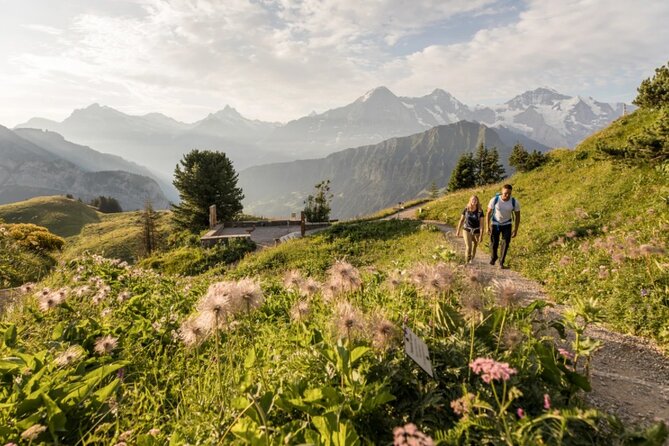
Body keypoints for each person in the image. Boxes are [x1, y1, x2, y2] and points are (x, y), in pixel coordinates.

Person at [486, 184, 521, 269]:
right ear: (502, 191)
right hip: (495, 224)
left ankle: (501, 262)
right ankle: (494, 257)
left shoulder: (514, 202)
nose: (507, 195)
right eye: (505, 193)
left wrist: (515, 230)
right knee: (494, 243)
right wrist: (487, 227)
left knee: (505, 243)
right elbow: (488, 213)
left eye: (509, 193)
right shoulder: (495, 200)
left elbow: (517, 216)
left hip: (507, 225)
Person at [456, 195, 484, 263]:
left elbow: (482, 224)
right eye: (472, 200)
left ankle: (472, 258)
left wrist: (481, 235)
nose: (474, 201)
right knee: (469, 246)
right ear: (470, 201)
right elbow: (461, 220)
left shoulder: (480, 211)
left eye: (475, 200)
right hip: (467, 229)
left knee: (475, 245)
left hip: (476, 230)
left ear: (477, 201)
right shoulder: (466, 209)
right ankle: (467, 261)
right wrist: (458, 231)